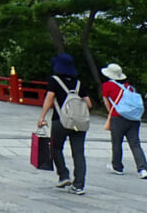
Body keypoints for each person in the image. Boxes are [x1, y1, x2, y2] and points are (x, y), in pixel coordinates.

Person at [37, 53, 93, 195]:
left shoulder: (54, 80)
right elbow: (89, 104)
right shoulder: (78, 83)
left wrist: (42, 117)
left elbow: (49, 99)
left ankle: (63, 175)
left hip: (60, 121)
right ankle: (79, 185)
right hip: (79, 123)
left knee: (55, 148)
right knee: (79, 153)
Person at [100, 63, 147, 179]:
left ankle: (117, 167)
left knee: (117, 142)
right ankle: (142, 169)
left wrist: (111, 113)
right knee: (135, 144)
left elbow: (107, 102)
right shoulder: (129, 87)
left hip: (118, 118)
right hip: (134, 119)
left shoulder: (107, 85)